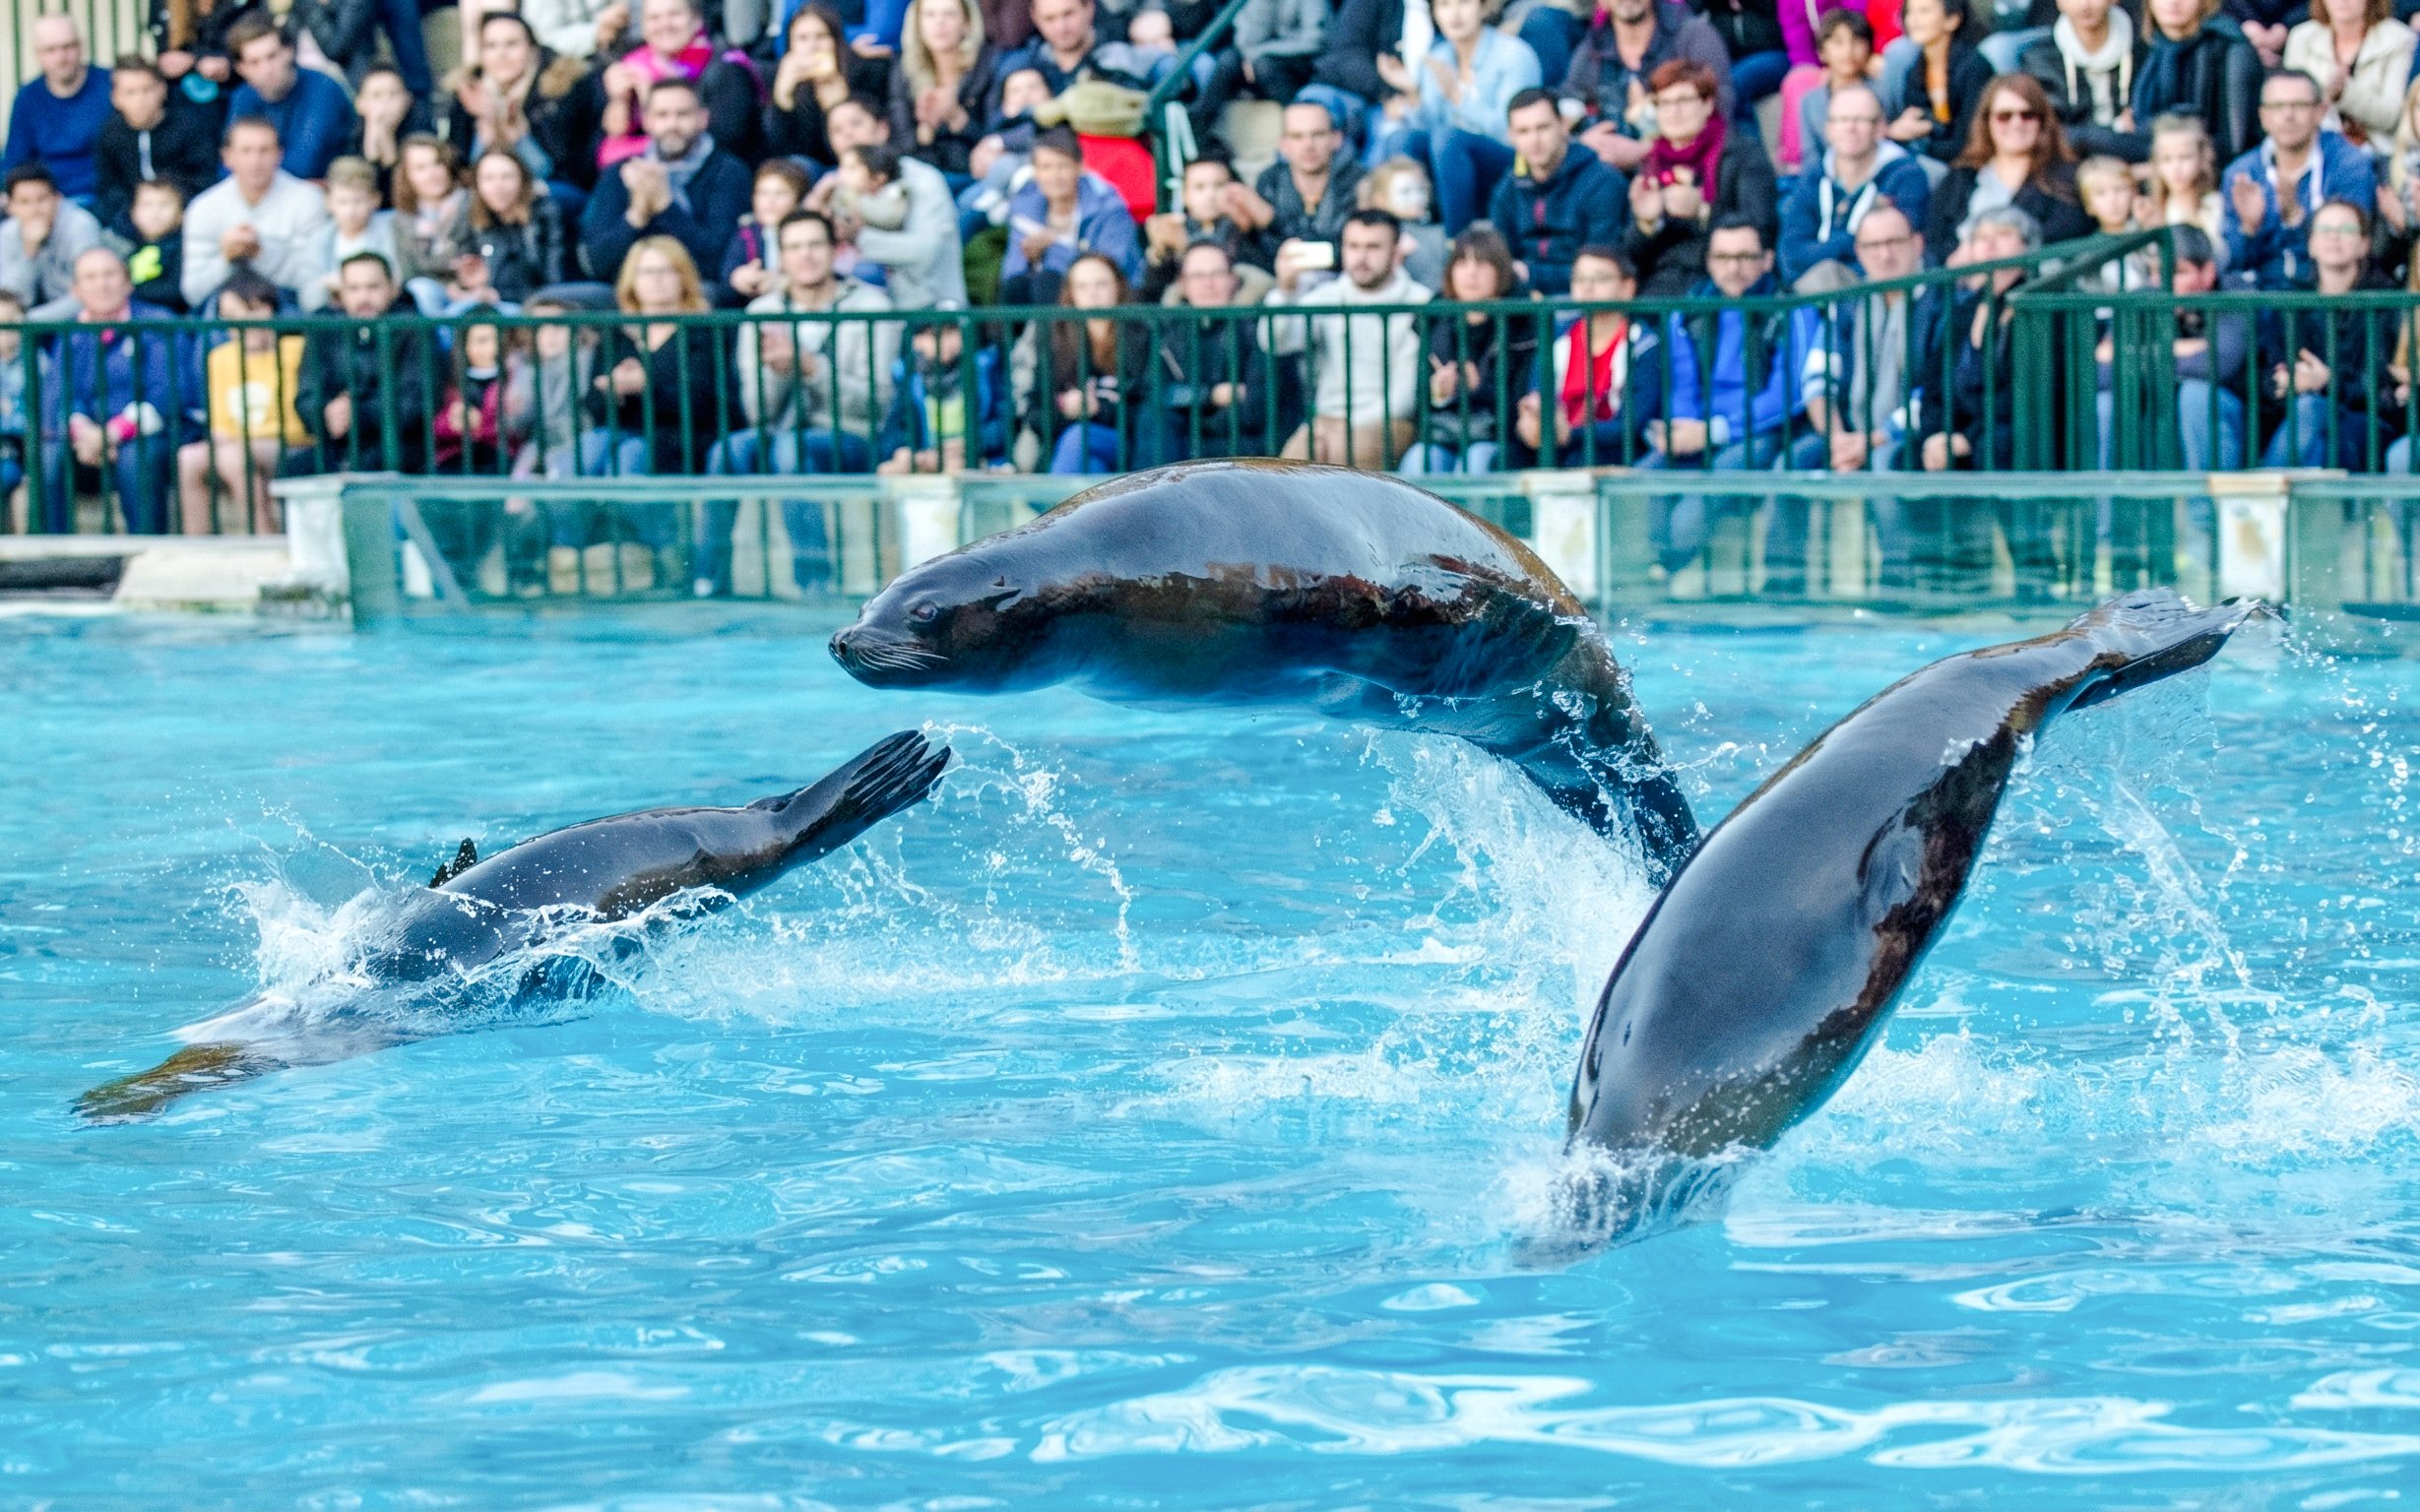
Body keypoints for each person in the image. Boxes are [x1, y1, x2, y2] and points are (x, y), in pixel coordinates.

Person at [699, 209, 897, 595]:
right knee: (727, 451)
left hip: (850, 435)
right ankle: (709, 579)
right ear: (781, 257)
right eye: (794, 247)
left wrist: (812, 369)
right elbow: (758, 412)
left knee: (791, 450)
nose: (805, 255)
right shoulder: (762, 312)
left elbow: (874, 403)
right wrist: (779, 372)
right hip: (779, 430)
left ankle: (813, 581)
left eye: (814, 245)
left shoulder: (871, 306)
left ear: (833, 250)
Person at [575, 235, 730, 585]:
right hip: (624, 431)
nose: (656, 279)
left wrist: (648, 387)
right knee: (582, 454)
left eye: (666, 271)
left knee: (628, 460)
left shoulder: (702, 331)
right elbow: (593, 405)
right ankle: (566, 552)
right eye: (646, 272)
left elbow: (705, 400)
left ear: (683, 277)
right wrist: (612, 391)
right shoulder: (618, 334)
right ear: (632, 280)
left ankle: (667, 556)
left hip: (683, 436)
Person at [35, 246, 197, 536]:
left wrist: (112, 433)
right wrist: (84, 431)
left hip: (150, 435)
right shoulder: (69, 333)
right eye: (91, 277)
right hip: (87, 442)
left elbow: (168, 392)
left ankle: (147, 549)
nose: (102, 284)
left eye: (110, 274)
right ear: (76, 290)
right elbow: (59, 396)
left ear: (127, 282)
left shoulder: (158, 322)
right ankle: (51, 556)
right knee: (49, 456)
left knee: (136, 458)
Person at [1261, 207, 1433, 468]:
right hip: (1325, 424)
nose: (1361, 257)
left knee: (1337, 459)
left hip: (1388, 423)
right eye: (1353, 246)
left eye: (1373, 247)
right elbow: (1275, 342)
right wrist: (1284, 291)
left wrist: (1345, 428)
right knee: (1283, 476)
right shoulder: (1326, 296)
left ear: (1396, 251)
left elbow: (1403, 400)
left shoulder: (1420, 302)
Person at [1651, 217, 1806, 476]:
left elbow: (1786, 394)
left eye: (1745, 257)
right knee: (1643, 484)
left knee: (1694, 510)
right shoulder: (1688, 312)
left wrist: (1716, 431)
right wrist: (1685, 428)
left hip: (1761, 432)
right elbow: (1681, 385)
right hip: (1697, 432)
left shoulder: (1790, 309)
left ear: (1767, 260)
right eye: (1722, 257)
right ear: (1709, 262)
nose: (1733, 268)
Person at [2258, 198, 2401, 468]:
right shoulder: (2292, 303)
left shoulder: (2387, 303)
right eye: (2325, 230)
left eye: (2346, 230)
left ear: (2364, 245)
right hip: (2301, 419)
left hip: (2367, 423)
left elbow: (2387, 388)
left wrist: (2327, 382)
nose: (2334, 237)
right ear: (2310, 244)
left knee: (2315, 414)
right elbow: (2268, 372)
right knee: (2316, 435)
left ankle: (2262, 504)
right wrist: (2287, 381)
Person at [1375, 0, 1541, 234]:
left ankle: (1457, 239)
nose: (1454, 14)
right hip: (1451, 161)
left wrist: (1457, 96)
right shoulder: (1439, 56)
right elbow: (1428, 130)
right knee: (1402, 140)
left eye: (1464, 2)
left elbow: (1513, 132)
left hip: (1509, 162)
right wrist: (1413, 94)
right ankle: (1402, 235)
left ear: (1484, 7)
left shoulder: (1514, 54)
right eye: (1444, 5)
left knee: (1449, 140)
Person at [1621, 60, 1777, 295]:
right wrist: (1647, 225)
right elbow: (1627, 256)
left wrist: (1703, 211)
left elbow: (1761, 230)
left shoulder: (1743, 154)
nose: (1674, 111)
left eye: (1684, 101)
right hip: (1657, 287)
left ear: (1707, 104)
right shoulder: (1648, 163)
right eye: (1663, 103)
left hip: (1721, 285)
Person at [581, 77, 753, 283]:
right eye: (662, 115)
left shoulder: (729, 172)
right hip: (629, 290)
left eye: (683, 114)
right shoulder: (620, 172)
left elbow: (718, 262)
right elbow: (595, 264)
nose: (672, 124)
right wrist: (637, 215)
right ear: (646, 120)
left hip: (699, 290)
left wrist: (665, 206)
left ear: (703, 119)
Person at [2222, 68, 2380, 287]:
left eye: (2299, 105)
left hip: (2325, 293)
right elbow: (2236, 262)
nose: (2288, 116)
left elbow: (2351, 247)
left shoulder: (2349, 165)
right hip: (2263, 298)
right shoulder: (2241, 173)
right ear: (2263, 116)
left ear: (2320, 112)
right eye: (2278, 106)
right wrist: (2250, 230)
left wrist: (2296, 219)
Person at [177, 268, 305, 534]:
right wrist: (226, 436)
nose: (242, 323)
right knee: (188, 458)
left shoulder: (295, 350)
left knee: (233, 456)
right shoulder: (220, 357)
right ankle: (197, 548)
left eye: (252, 311)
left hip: (288, 443)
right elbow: (220, 422)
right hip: (236, 443)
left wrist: (237, 437)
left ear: (270, 311)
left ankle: (264, 540)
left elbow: (296, 421)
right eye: (231, 316)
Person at [444, 12, 607, 218]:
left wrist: (518, 136)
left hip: (559, 192)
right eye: (491, 46)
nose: (501, 54)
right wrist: (488, 121)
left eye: (511, 44)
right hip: (490, 196)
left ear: (533, 49)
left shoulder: (563, 89)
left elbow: (561, 170)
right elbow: (463, 170)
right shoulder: (468, 93)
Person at [1509, 245, 1659, 468]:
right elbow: (1539, 393)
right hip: (1556, 443)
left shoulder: (1644, 344)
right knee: (1508, 457)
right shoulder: (1556, 337)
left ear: (1627, 287)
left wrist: (1570, 433)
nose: (1587, 287)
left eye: (1600, 279)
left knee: (1581, 459)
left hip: (1614, 451)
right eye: (1579, 279)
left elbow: (1631, 424)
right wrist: (1533, 419)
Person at [1403, 224, 1536, 473]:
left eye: (1482, 264)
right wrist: (1439, 394)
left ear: (1501, 272)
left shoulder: (1523, 324)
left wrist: (1479, 389)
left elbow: (1522, 407)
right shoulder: (1433, 320)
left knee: (1476, 460)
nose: (1471, 274)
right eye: (1462, 263)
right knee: (1419, 459)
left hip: (1500, 439)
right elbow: (1422, 404)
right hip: (1445, 434)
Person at [291, 251, 436, 474]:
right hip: (337, 445)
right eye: (354, 288)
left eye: (373, 287)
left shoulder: (415, 329)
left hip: (401, 445)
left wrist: (358, 413)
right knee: (293, 470)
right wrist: (326, 413)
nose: (364, 297)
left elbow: (418, 401)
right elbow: (307, 395)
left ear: (393, 289)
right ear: (341, 294)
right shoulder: (324, 330)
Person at [1925, 74, 2094, 263]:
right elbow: (1935, 238)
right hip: (1964, 286)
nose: (2016, 124)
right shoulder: (1961, 176)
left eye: (2027, 115)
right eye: (2004, 116)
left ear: (2042, 122)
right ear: (1987, 121)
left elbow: (2068, 234)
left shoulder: (2066, 177)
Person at [1780, 83, 1932, 285]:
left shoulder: (1906, 176)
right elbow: (1792, 254)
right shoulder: (1813, 177)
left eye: (1860, 120)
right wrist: (1850, 242)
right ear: (1828, 129)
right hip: (1816, 292)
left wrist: (1826, 250)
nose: (1850, 128)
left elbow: (1896, 252)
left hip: (1877, 292)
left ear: (1880, 128)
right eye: (1842, 120)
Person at [1560, 0, 1736, 175]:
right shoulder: (1592, 50)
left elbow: (1720, 109)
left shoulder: (1693, 35)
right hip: (1613, 180)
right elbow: (1562, 111)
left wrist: (1647, 153)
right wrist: (1583, 144)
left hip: (1692, 172)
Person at [1488, 88, 1626, 294]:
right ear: (1511, 136)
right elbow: (1503, 256)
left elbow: (1603, 264)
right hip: (1524, 300)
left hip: (1586, 298)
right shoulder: (1507, 189)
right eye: (1523, 131)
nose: (1534, 140)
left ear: (1563, 125)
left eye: (1542, 128)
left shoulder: (1602, 181)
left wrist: (1532, 274)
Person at [597, 0, 765, 168]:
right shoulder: (632, 64)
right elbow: (614, 132)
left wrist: (650, 98)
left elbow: (728, 141)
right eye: (654, 18)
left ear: (696, 20)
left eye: (674, 15)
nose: (665, 24)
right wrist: (620, 99)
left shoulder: (726, 68)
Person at [1025, 251, 1151, 472]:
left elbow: (1147, 410)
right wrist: (1067, 410)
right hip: (1068, 448)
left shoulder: (1141, 335)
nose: (1092, 293)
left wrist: (1098, 410)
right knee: (1090, 466)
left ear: (1118, 287)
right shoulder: (1055, 339)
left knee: (1079, 438)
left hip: (1126, 444)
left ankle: (1059, 505)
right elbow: (1035, 413)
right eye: (1082, 286)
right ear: (1071, 294)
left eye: (1101, 284)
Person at [998, 125, 1138, 301]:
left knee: (1048, 281)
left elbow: (1112, 269)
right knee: (1016, 286)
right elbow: (1012, 272)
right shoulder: (1024, 206)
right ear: (1035, 172)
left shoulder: (1110, 208)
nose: (1055, 176)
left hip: (1108, 300)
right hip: (1044, 299)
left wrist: (1053, 247)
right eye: (1046, 167)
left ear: (1080, 167)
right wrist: (1031, 258)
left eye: (1063, 166)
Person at [1153, 239, 1263, 458]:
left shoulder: (1256, 327)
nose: (1208, 284)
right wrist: (1210, 396)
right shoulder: (1167, 331)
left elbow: (1256, 407)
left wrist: (1195, 418)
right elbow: (1156, 393)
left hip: (1241, 448)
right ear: (1183, 284)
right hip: (1181, 444)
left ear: (1233, 280)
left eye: (1217, 273)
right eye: (1198, 276)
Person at [93, 59, 223, 241]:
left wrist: (175, 210)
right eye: (130, 92)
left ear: (162, 89)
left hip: (183, 221)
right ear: (116, 98)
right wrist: (134, 214)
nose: (140, 99)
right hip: (130, 224)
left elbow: (203, 178)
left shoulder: (188, 127)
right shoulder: (110, 134)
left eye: (147, 89)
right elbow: (109, 185)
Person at [837, 133, 972, 307]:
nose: (848, 136)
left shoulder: (919, 179)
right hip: (886, 307)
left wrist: (859, 236)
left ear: (882, 128)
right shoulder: (845, 190)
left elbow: (927, 249)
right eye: (837, 129)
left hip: (934, 306)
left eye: (856, 124)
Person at [875, 307, 1008, 474]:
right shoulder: (907, 377)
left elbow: (1003, 426)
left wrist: (970, 444)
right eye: (934, 334)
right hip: (926, 462)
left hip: (976, 460)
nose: (944, 341)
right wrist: (912, 454)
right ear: (917, 340)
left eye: (951, 332)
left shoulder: (984, 369)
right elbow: (894, 431)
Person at [223, 15, 356, 181]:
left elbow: (305, 164)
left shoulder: (322, 88)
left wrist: (253, 176)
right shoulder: (243, 97)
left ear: (289, 51)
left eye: (271, 56)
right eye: (255, 62)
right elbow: (228, 166)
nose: (267, 69)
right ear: (241, 68)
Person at [2132, 0, 2264, 164]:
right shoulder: (2147, 49)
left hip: (2215, 165)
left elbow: (2235, 142)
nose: (2173, 3)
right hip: (2157, 157)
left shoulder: (2230, 47)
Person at [1235, 101, 1365, 269]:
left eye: (1318, 134)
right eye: (1297, 136)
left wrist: (1272, 220)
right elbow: (1268, 252)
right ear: (1283, 144)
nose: (1308, 145)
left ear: (1336, 139)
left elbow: (1352, 252)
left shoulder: (1358, 182)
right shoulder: (1270, 181)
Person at [2020, 0, 2150, 161]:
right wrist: (2115, 131)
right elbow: (2050, 134)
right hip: (2070, 167)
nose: (2085, 5)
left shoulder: (2145, 48)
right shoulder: (2040, 59)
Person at [766, 3, 893, 166]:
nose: (812, 46)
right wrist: (783, 100)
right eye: (802, 38)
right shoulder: (785, 80)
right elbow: (785, 150)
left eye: (821, 36)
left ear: (836, 40)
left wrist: (841, 103)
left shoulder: (866, 71)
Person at [3, 15, 112, 204]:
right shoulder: (28, 97)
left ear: (81, 46)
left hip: (103, 198)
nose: (61, 57)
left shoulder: (110, 85)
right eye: (51, 50)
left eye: (68, 47)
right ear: (38, 54)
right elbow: (15, 162)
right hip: (45, 202)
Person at [888, 0, 1001, 176]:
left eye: (949, 14)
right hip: (922, 173)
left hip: (974, 173)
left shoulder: (989, 65)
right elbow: (899, 142)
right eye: (930, 15)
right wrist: (926, 127)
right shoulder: (904, 71)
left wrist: (958, 118)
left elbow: (999, 136)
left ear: (966, 23)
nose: (939, 22)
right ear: (918, 24)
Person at [2283, 0, 2414, 144]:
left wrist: (2344, 92)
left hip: (2377, 151)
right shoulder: (2302, 37)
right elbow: (2289, 103)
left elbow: (2392, 117)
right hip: (2313, 146)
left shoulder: (2399, 40)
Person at [1192, 0, 1330, 135]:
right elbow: (1245, 39)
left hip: (1303, 61)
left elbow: (1315, 41)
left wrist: (1258, 55)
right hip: (1257, 58)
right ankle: (1198, 132)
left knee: (1265, 65)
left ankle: (1298, 126)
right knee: (1227, 60)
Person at [1882, 0, 1992, 168]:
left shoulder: (1974, 68)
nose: (1914, 20)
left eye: (1924, 11)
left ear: (1952, 20)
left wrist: (1924, 136)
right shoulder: (1915, 69)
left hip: (1967, 164)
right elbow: (1919, 119)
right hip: (1932, 155)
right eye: (1910, 12)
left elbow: (1970, 138)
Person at [451, 151, 570, 306]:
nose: (498, 185)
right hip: (484, 303)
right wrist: (466, 287)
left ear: (523, 180)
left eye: (506, 177)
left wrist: (499, 295)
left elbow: (554, 279)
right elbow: (463, 271)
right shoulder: (470, 213)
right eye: (489, 178)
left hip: (534, 304)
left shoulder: (546, 214)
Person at [1141, 155, 1262, 299]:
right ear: (1185, 195)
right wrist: (1160, 255)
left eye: (1219, 185)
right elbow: (1151, 296)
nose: (1210, 195)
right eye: (1199, 187)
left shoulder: (1248, 231)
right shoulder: (1172, 232)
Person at [0, 165, 107, 316]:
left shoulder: (80, 226)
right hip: (27, 322)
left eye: (42, 199)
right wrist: (29, 251)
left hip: (76, 322)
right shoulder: (7, 233)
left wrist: (29, 322)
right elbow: (9, 298)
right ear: (10, 207)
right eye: (25, 202)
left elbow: (89, 294)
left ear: (57, 199)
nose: (35, 209)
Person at [1783, 9, 1877, 178]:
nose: (1848, 51)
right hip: (1826, 180)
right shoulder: (1810, 102)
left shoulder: (1880, 92)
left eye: (1857, 41)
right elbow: (1811, 156)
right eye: (1838, 42)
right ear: (1822, 52)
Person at [301, 156, 398, 312]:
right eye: (343, 202)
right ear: (329, 202)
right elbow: (308, 298)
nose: (351, 211)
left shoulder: (391, 230)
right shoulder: (320, 240)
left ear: (375, 200)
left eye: (358, 201)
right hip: (337, 319)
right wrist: (328, 289)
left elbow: (396, 278)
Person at [394, 136, 472, 311]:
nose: (432, 174)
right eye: (421, 168)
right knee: (421, 289)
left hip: (471, 293)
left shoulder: (471, 204)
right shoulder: (402, 220)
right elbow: (409, 274)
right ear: (407, 176)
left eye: (437, 163)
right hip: (429, 296)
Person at [2139, 109, 2227, 254]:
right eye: (2166, 159)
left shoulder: (2217, 206)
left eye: (2185, 157)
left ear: (2203, 157)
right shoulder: (2153, 212)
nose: (2176, 168)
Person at [340, 66, 421, 202]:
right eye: (377, 95)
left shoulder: (420, 133)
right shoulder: (349, 138)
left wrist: (387, 141)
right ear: (360, 104)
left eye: (393, 94)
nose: (386, 102)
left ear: (407, 99)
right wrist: (371, 142)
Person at [125, 180, 188, 314]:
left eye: (165, 204)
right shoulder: (127, 250)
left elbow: (177, 292)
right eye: (147, 205)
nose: (155, 212)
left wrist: (131, 291)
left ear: (182, 214)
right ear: (133, 213)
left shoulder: (185, 249)